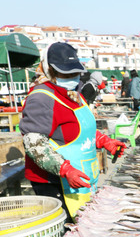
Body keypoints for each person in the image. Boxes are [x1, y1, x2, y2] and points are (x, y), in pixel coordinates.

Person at [19, 42, 126, 222]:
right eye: (65, 73)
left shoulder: (74, 94)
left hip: (81, 175)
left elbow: (79, 130)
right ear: (50, 71)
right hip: (54, 182)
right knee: (70, 232)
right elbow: (34, 144)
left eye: (75, 73)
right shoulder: (41, 98)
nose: (73, 77)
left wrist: (105, 141)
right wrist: (64, 169)